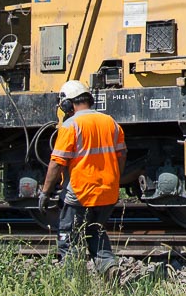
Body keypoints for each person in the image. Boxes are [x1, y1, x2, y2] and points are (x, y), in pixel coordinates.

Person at [40, 79, 125, 268]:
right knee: (96, 232)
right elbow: (122, 154)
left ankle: (74, 279)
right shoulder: (110, 122)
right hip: (108, 193)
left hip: (80, 193)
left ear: (67, 104)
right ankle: (109, 267)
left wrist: (45, 192)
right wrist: (114, 179)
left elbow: (57, 163)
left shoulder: (71, 125)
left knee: (69, 238)